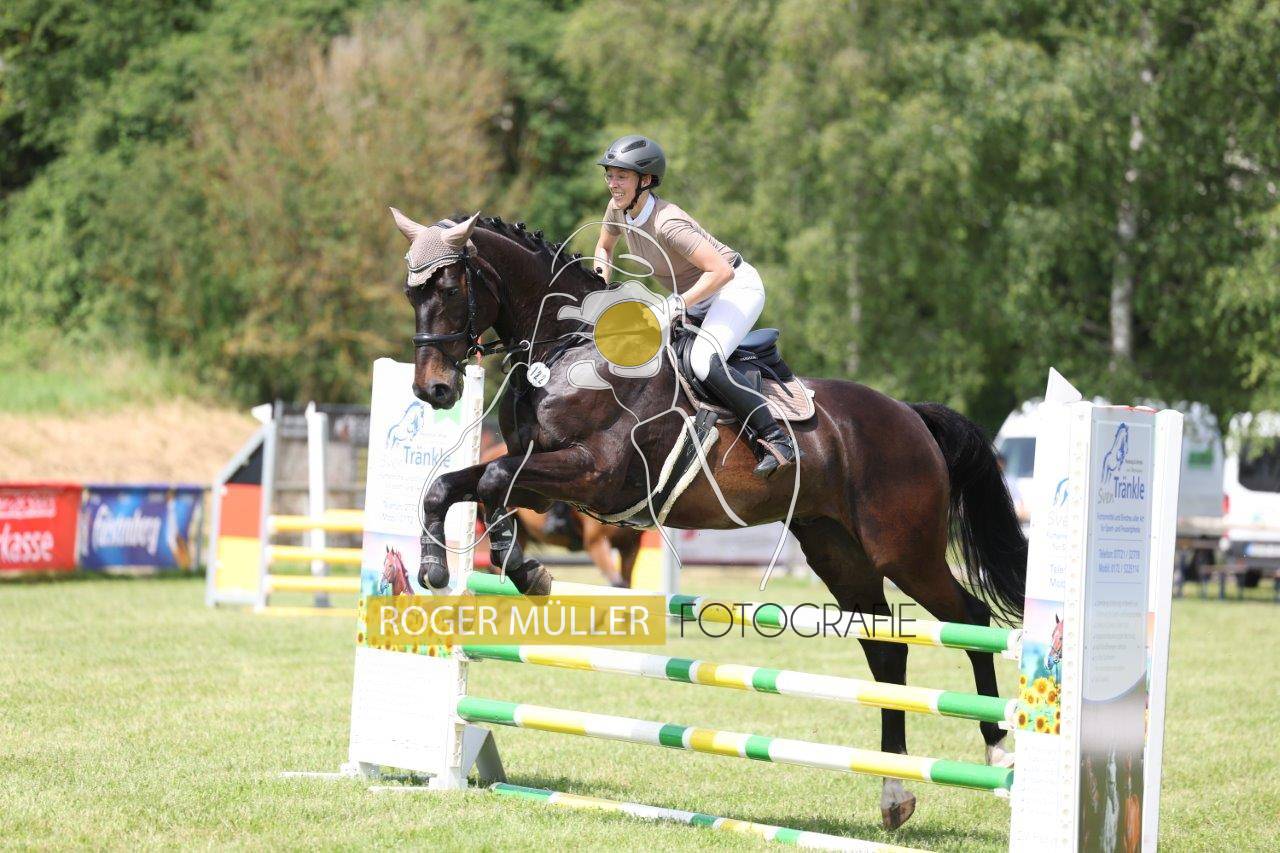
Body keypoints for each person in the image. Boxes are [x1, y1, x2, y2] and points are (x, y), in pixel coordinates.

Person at [591, 134, 799, 479]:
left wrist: (675, 305)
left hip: (733, 287)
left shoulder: (668, 224)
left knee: (703, 362)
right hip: (697, 296)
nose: (613, 184)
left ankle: (777, 439)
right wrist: (599, 287)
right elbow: (603, 247)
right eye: (609, 175)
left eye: (621, 177)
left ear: (646, 180)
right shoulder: (618, 208)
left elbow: (721, 271)